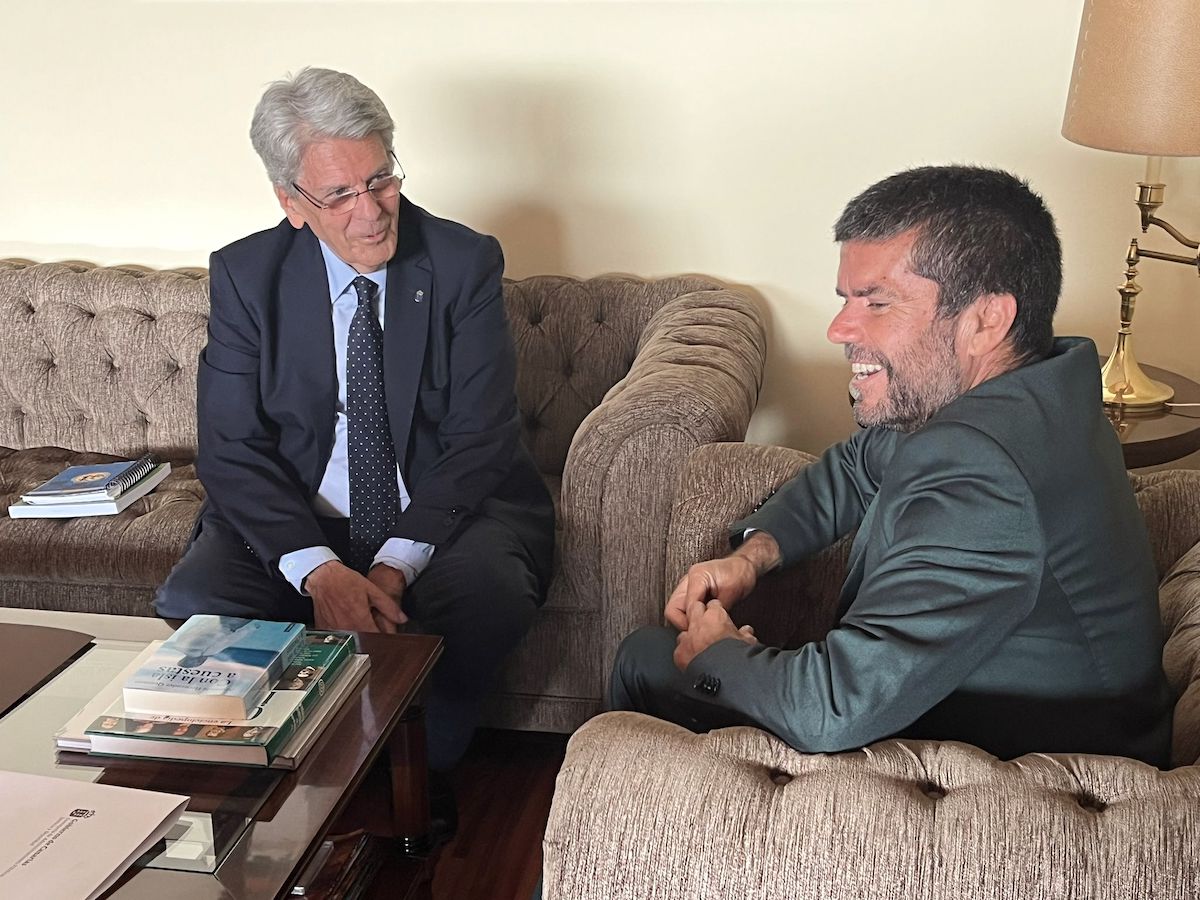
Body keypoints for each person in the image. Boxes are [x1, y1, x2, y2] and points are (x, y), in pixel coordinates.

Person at [611, 165, 1173, 766]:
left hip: (1020, 776)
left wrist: (716, 654)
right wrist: (752, 557)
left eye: (877, 302)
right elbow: (859, 464)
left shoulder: (986, 472)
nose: (837, 329)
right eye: (846, 300)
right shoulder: (1030, 394)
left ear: (987, 319)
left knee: (645, 657)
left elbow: (832, 709)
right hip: (961, 700)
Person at [155, 69, 556, 821]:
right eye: (340, 195)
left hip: (443, 512)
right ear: (290, 204)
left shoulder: (463, 262)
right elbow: (231, 447)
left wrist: (393, 564)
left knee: (487, 594)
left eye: (382, 180)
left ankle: (416, 772)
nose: (372, 213)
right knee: (198, 599)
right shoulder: (247, 276)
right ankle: (270, 785)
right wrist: (320, 572)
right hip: (302, 519)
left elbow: (480, 438)